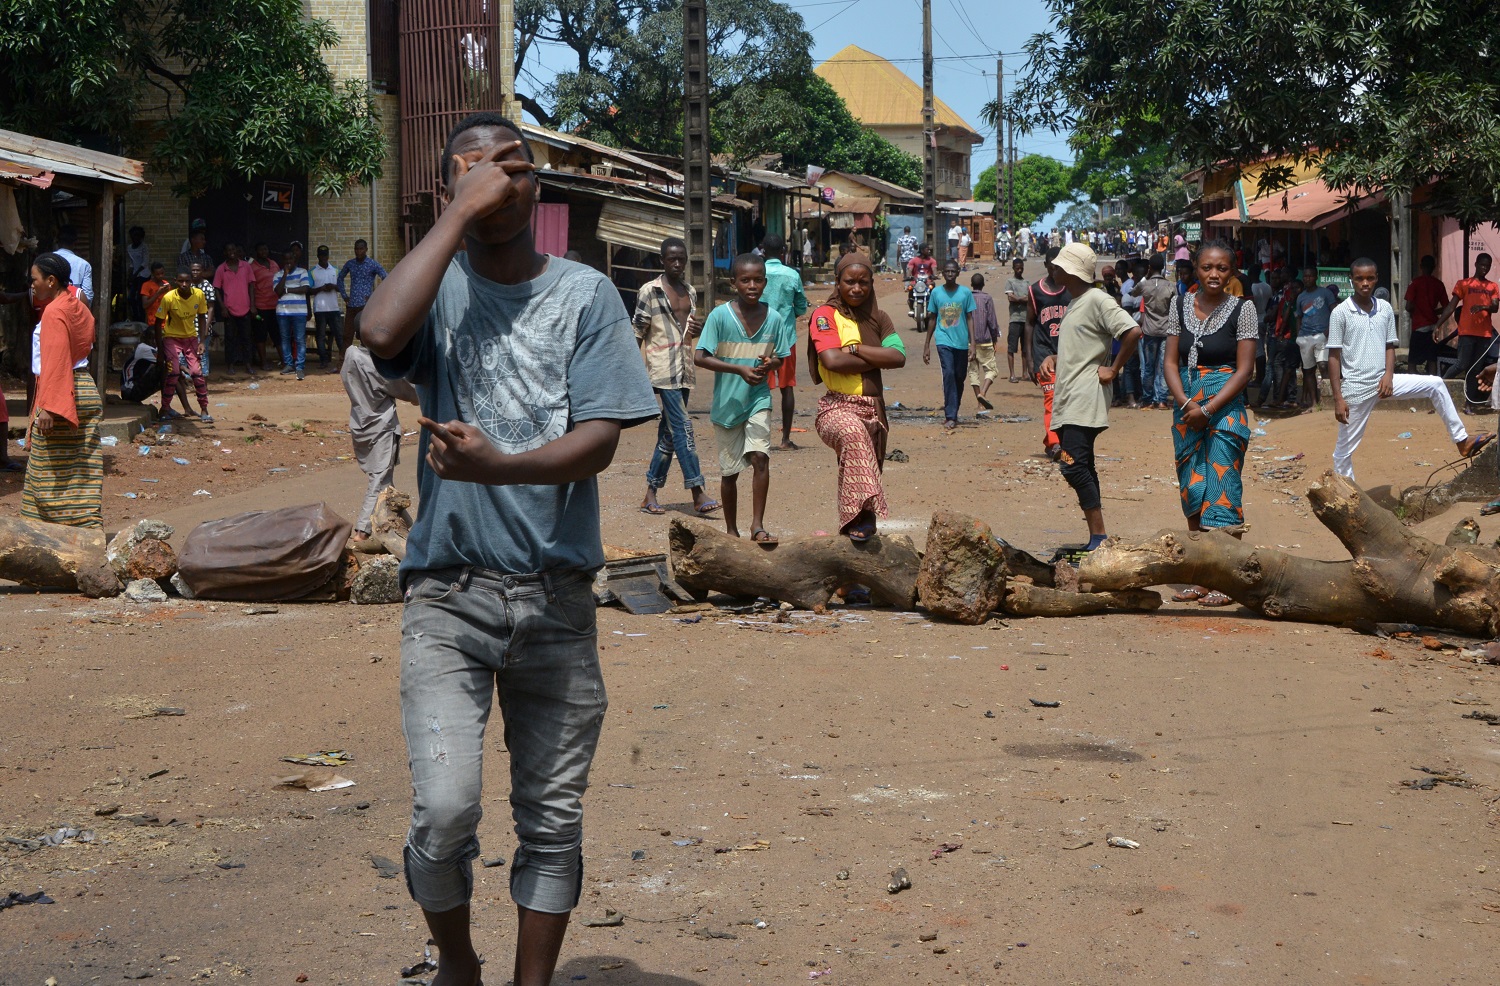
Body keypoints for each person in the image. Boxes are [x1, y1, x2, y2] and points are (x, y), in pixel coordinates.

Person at [359, 111, 659, 986]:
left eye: (516, 167)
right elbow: (379, 336)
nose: (499, 179)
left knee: (552, 819)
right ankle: (456, 962)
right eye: (476, 168)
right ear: (449, 187)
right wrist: (454, 218)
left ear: (539, 190)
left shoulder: (585, 294)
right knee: (445, 810)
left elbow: (602, 437)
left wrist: (503, 467)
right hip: (447, 597)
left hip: (557, 595)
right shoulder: (435, 286)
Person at [1330, 258, 1492, 481]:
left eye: (1369, 278)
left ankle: (1462, 440)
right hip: (1355, 390)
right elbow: (1334, 357)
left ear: (1377, 279)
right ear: (1352, 280)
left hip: (1383, 381)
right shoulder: (1340, 312)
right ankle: (1346, 495)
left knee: (1435, 384)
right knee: (1343, 451)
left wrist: (1388, 375)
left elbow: (1389, 347)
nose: (1365, 283)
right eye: (1359, 278)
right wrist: (1338, 398)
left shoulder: (1385, 309)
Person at [1163, 242, 1259, 606]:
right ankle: (1199, 576)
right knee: (1193, 486)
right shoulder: (1180, 305)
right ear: (1195, 270)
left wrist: (1210, 407)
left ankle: (1226, 578)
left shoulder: (1243, 309)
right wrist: (1188, 404)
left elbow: (1245, 369)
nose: (1214, 275)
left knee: (1222, 484)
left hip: (1226, 407)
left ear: (1232, 271)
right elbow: (1171, 362)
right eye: (1206, 268)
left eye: (1221, 268)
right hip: (1186, 408)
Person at [1045, 242, 1141, 551]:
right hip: (1072, 397)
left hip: (1085, 398)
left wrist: (1113, 369)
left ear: (1069, 270)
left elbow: (1132, 332)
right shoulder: (1077, 301)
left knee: (1072, 464)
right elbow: (1084, 347)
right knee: (1081, 464)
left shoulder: (1097, 299)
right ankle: (1096, 538)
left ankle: (1099, 537)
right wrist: (1058, 359)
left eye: (1057, 265)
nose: (1052, 269)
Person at [694, 253, 793, 544]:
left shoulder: (773, 318)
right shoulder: (719, 316)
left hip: (758, 398)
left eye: (758, 280)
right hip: (727, 404)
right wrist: (737, 368)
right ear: (734, 283)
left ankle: (757, 526)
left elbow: (780, 358)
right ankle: (731, 530)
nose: (752, 286)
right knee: (730, 472)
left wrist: (769, 363)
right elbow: (700, 357)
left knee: (761, 458)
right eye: (745, 280)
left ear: (765, 282)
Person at [809, 252, 906, 541]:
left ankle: (852, 566)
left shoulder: (880, 318)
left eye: (863, 282)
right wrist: (877, 358)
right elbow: (831, 361)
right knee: (852, 435)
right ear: (837, 283)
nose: (856, 288)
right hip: (837, 407)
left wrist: (855, 349)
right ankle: (865, 518)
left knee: (863, 470)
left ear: (872, 283)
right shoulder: (825, 316)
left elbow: (899, 356)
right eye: (849, 282)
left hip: (875, 410)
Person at [632, 236, 716, 516]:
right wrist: (631, 373)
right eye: (672, 259)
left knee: (668, 435)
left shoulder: (690, 291)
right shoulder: (649, 291)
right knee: (683, 428)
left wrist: (698, 329)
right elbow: (638, 332)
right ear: (662, 260)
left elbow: (687, 332)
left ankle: (650, 494)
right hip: (662, 369)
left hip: (685, 369)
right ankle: (697, 491)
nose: (677, 263)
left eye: (682, 259)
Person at [22, 253, 102, 527]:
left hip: (61, 392)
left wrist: (49, 407)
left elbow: (56, 361)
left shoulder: (55, 311)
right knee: (82, 470)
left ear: (51, 280)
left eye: (35, 280)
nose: (32, 286)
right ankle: (87, 526)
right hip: (84, 389)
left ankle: (47, 535)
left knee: (47, 472)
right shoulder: (78, 307)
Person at [340, 344, 419, 539]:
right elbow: (407, 391)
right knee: (380, 479)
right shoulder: (377, 364)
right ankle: (362, 531)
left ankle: (415, 533)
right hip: (381, 426)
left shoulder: (351, 355)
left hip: (360, 423)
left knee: (386, 485)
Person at [757, 234, 809, 450]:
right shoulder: (792, 275)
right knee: (787, 388)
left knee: (760, 389)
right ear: (783, 252)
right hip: (786, 340)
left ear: (762, 251)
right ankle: (785, 439)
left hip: (759, 339)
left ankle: (760, 439)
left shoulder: (756, 274)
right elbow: (802, 306)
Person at [1024, 247, 1072, 457]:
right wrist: (1028, 358)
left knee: (1067, 400)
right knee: (1051, 398)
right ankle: (1055, 444)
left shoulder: (1072, 290)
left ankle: (1054, 439)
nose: (1055, 270)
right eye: (1052, 266)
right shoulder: (1035, 291)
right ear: (1046, 266)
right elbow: (1029, 324)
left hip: (1070, 353)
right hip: (1044, 353)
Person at [922, 260, 977, 431]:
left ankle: (954, 407)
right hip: (943, 339)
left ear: (958, 272)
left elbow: (969, 318)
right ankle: (950, 415)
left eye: (953, 271)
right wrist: (927, 345)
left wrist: (972, 343)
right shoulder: (937, 293)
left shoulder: (965, 293)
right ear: (943, 273)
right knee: (949, 374)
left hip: (961, 342)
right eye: (947, 271)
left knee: (959, 377)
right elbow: (932, 318)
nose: (950, 274)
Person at [158, 269, 214, 423]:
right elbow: (158, 323)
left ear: (191, 282)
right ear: (176, 281)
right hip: (171, 337)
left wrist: (202, 341)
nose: (184, 284)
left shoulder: (198, 295)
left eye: (187, 281)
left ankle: (204, 409)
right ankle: (164, 408)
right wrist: (160, 348)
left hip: (190, 337)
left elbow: (202, 317)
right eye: (181, 281)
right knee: (174, 372)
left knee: (197, 372)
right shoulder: (169, 297)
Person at [1441, 252, 1499, 392]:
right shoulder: (1463, 284)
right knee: (1461, 364)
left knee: (1476, 368)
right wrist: (1438, 325)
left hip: (1484, 334)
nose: (1485, 268)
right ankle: (1439, 388)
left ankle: (1469, 402)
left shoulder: (1493, 286)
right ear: (1476, 264)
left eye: (1488, 266)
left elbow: (1495, 307)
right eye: (1482, 265)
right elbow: (1451, 306)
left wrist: (1483, 307)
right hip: (1467, 332)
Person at [1135, 255, 1176, 410]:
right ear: (1164, 267)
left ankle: (1148, 399)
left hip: (1149, 330)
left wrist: (1146, 277)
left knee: (1148, 366)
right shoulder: (1170, 286)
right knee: (1163, 365)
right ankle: (1162, 400)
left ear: (1149, 268)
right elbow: (1175, 308)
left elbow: (1133, 293)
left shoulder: (1146, 286)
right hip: (1166, 330)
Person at [1294, 269, 1337, 410]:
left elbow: (1334, 312)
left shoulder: (1325, 293)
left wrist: (1329, 331)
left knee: (1323, 365)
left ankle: (1328, 400)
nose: (1307, 279)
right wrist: (1298, 336)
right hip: (1305, 336)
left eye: (1310, 276)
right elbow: (1299, 317)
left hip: (1322, 335)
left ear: (1316, 277)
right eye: (1305, 276)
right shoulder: (1301, 297)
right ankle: (1314, 402)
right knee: (1308, 370)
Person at [213, 244, 258, 378]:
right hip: (229, 310)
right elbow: (216, 289)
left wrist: (252, 305)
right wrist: (222, 307)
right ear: (225, 253)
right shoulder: (221, 269)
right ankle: (230, 365)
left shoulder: (246, 266)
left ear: (237, 251)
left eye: (234, 250)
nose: (231, 252)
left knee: (246, 338)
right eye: (229, 250)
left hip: (245, 308)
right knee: (230, 339)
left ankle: (248, 364)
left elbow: (251, 286)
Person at [337, 238, 388, 349]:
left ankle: (366, 360)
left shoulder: (372, 264)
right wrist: (345, 296)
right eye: (356, 249)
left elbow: (385, 277)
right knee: (347, 335)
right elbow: (340, 278)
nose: (358, 251)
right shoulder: (350, 264)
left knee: (364, 334)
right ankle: (342, 362)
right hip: (351, 305)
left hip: (365, 306)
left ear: (366, 249)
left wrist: (375, 296)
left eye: (361, 249)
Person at [1404, 254, 1450, 375]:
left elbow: (1408, 306)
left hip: (1419, 326)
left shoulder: (1415, 283)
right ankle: (1431, 386)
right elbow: (1447, 307)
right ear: (1433, 267)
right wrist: (1434, 312)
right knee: (1432, 360)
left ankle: (1413, 386)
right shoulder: (1439, 284)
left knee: (1412, 362)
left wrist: (1416, 311)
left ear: (1421, 267)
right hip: (1433, 327)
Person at [273, 249, 311, 379]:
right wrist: (285, 275)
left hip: (299, 312)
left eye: (291, 259)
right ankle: (289, 365)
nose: (288, 262)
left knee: (300, 339)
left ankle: (300, 367)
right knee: (285, 339)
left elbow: (305, 289)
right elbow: (278, 291)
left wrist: (287, 289)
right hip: (282, 312)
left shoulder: (303, 272)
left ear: (295, 260)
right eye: (286, 259)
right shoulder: (277, 275)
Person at [968, 273, 1000, 411]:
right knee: (991, 370)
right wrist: (995, 339)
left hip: (970, 342)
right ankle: (983, 393)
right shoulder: (987, 298)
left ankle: (979, 402)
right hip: (985, 340)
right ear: (983, 285)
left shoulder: (966, 297)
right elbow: (991, 321)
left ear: (971, 284)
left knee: (973, 372)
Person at [309, 245, 344, 371]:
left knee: (339, 335)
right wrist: (321, 288)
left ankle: (344, 359)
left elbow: (341, 288)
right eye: (321, 255)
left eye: (325, 255)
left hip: (334, 308)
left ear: (328, 256)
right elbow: (309, 290)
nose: (323, 257)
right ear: (318, 256)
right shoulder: (312, 271)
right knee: (320, 336)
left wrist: (333, 286)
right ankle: (323, 360)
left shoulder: (335, 270)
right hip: (320, 309)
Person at [250, 243, 281, 371]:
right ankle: (264, 362)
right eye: (261, 249)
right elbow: (251, 287)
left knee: (277, 334)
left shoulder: (274, 264)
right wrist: (252, 306)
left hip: (276, 306)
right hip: (261, 306)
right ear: (256, 251)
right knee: (260, 335)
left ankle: (285, 361)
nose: (264, 251)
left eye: (265, 249)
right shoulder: (252, 267)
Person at [51, 226, 94, 304]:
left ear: (57, 241)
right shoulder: (84, 265)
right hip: (74, 309)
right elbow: (88, 296)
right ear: (75, 243)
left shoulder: (46, 260)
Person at [1003, 258, 1030, 383]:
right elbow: (1010, 298)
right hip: (1014, 319)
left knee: (1025, 348)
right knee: (1012, 347)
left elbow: (1028, 298)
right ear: (1013, 268)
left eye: (1021, 267)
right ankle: (1012, 374)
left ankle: (1025, 373)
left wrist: (1017, 299)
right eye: (1017, 268)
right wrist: (1021, 299)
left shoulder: (1026, 283)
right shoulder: (1010, 281)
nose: (1020, 270)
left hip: (1026, 319)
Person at [189, 261, 217, 377]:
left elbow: (211, 309)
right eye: (193, 270)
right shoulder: (188, 285)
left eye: (198, 270)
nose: (195, 272)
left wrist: (206, 327)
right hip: (189, 325)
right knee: (189, 353)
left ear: (202, 271)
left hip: (202, 324)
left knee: (202, 353)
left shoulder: (207, 286)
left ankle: (203, 377)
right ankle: (189, 378)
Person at [127, 226, 151, 321]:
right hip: (135, 275)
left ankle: (141, 319)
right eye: (133, 236)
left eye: (137, 236)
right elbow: (131, 263)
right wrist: (130, 275)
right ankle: (135, 317)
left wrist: (135, 274)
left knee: (140, 298)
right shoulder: (129, 248)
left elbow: (145, 263)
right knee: (131, 297)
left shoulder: (144, 247)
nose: (135, 238)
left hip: (144, 275)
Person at [906, 244, 936, 318]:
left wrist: (934, 276)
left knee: (933, 291)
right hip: (916, 282)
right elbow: (909, 269)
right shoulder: (914, 260)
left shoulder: (932, 260)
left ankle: (932, 307)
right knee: (910, 289)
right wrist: (909, 276)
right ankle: (911, 308)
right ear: (922, 250)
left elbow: (934, 269)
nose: (929, 251)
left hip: (927, 282)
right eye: (927, 249)